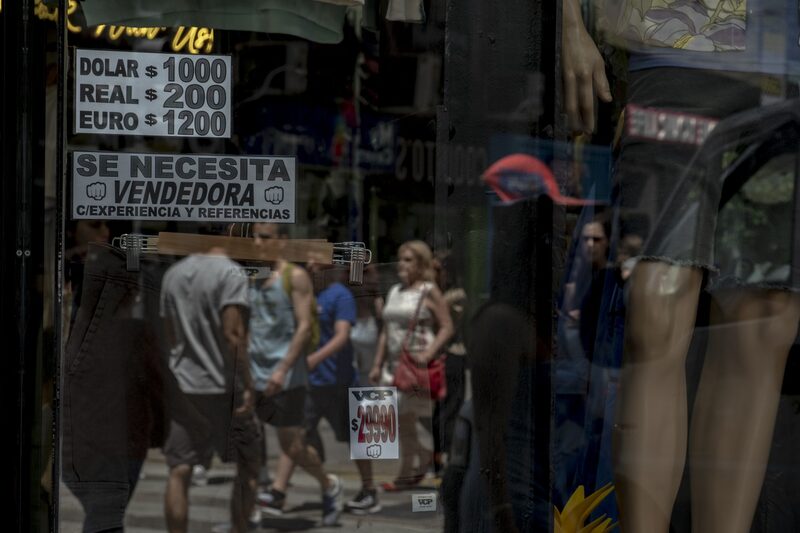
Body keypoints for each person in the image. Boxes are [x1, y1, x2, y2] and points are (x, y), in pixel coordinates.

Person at [564, 1, 800, 531]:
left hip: (790, 56)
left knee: (763, 320)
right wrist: (569, 21)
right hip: (677, 36)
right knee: (656, 304)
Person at [263, 256, 382, 515]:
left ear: (329, 266)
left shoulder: (340, 295)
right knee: (295, 435)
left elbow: (342, 335)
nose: (310, 266)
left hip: (339, 382)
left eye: (315, 262)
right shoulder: (306, 294)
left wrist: (314, 359)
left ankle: (369, 490)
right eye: (307, 262)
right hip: (310, 384)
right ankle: (278, 492)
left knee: (355, 439)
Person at [160, 233, 261, 533]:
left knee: (179, 470)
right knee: (248, 466)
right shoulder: (231, 273)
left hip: (183, 386)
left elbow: (170, 334)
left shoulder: (173, 274)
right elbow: (233, 335)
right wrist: (248, 383)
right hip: (223, 387)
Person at [246, 222, 343, 526]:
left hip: (286, 376)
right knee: (248, 441)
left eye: (264, 237)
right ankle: (249, 507)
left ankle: (328, 484)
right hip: (255, 374)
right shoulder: (255, 276)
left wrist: (282, 369)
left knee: (293, 446)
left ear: (282, 240)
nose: (257, 242)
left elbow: (303, 327)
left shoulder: (295, 276)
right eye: (254, 236)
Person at [369, 240, 454, 490]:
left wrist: (428, 353)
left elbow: (447, 326)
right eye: (400, 259)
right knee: (397, 420)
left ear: (421, 263)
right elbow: (387, 330)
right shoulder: (395, 291)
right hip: (393, 366)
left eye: (408, 259)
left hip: (415, 366)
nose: (401, 264)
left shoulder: (429, 290)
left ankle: (406, 473)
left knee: (405, 419)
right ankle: (423, 457)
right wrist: (377, 363)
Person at [431, 252, 468, 475]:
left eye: (437, 269)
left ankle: (447, 457)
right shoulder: (434, 293)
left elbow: (448, 324)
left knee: (450, 410)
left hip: (452, 356)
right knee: (437, 413)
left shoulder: (455, 296)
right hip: (436, 358)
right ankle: (438, 457)